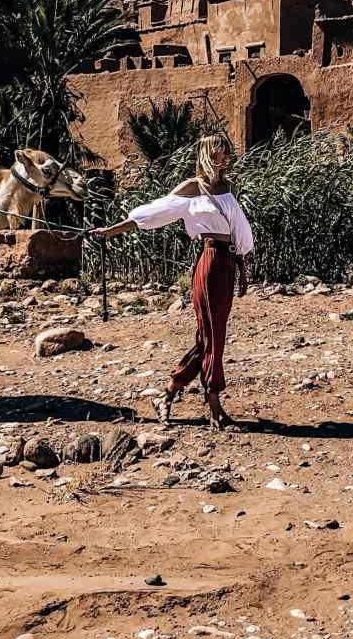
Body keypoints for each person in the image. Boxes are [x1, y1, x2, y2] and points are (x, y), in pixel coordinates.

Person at [90, 134, 254, 429]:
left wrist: (242, 269)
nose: (228, 154)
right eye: (222, 149)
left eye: (229, 149)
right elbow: (156, 212)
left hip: (228, 263)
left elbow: (237, 229)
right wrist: (112, 231)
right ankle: (214, 402)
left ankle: (167, 394)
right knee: (213, 334)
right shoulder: (192, 188)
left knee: (210, 336)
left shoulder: (228, 188)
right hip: (210, 261)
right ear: (208, 152)